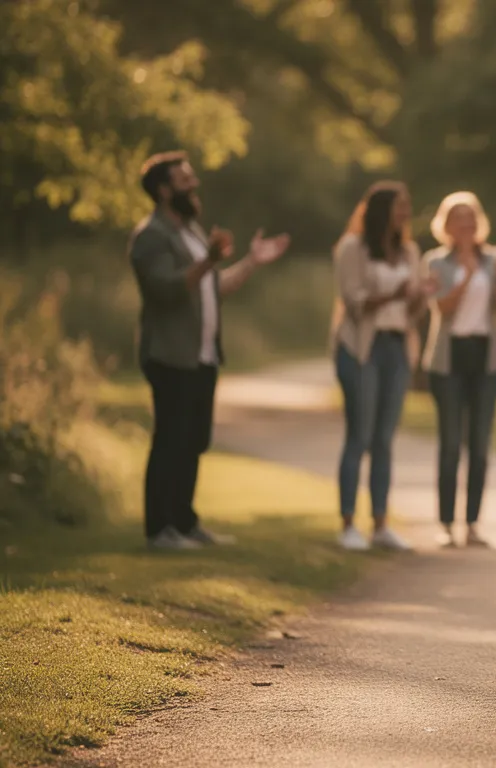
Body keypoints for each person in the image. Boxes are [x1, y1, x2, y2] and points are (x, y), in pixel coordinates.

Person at [129, 151, 290, 550]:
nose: (194, 184)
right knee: (170, 440)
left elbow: (214, 287)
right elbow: (167, 290)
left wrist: (252, 261)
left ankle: (184, 523)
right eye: (185, 180)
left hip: (202, 355)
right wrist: (209, 260)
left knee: (194, 441)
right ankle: (160, 530)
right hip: (170, 354)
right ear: (164, 190)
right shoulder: (151, 235)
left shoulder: (192, 232)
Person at [330, 181, 436, 552]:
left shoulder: (409, 251)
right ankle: (347, 524)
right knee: (359, 435)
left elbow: (412, 312)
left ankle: (380, 525)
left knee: (384, 440)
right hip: (361, 348)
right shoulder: (352, 247)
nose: (406, 213)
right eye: (400, 206)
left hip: (396, 348)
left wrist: (420, 296)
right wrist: (396, 293)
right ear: (382, 210)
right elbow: (354, 302)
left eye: (407, 206)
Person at [422, 191, 496, 549]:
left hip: (485, 360)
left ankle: (472, 524)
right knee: (449, 445)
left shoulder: (494, 260)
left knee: (479, 447)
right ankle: (446, 524)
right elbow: (441, 309)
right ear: (446, 225)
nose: (466, 224)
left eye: (471, 217)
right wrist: (464, 279)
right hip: (448, 361)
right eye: (458, 218)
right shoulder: (435, 262)